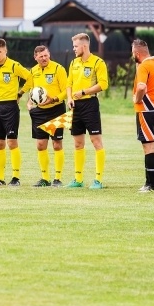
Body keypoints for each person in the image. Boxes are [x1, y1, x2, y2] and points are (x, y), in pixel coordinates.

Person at [0, 38, 32, 187]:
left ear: (5, 51)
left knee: (11, 142)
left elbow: (30, 78)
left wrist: (21, 93)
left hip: (11, 107)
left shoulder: (14, 66)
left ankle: (16, 177)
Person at [66, 33, 109, 189]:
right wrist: (69, 98)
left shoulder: (98, 62)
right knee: (78, 143)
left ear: (84, 46)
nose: (74, 49)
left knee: (96, 141)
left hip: (90, 105)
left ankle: (98, 180)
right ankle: (78, 179)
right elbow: (68, 83)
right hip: (75, 106)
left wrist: (84, 92)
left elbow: (103, 84)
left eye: (76, 46)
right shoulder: (73, 63)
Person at [25, 45, 67, 187]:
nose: (44, 58)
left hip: (56, 109)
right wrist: (29, 103)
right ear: (35, 57)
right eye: (41, 56)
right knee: (40, 145)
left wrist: (53, 99)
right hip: (39, 112)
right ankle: (44, 178)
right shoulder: (33, 71)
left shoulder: (58, 69)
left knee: (56, 144)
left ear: (49, 54)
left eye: (46, 55)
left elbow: (66, 91)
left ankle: (58, 178)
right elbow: (32, 90)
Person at [132, 39, 154, 192]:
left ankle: (153, 185)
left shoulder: (143, 66)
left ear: (137, 53)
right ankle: (149, 183)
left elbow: (142, 86)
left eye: (132, 52)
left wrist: (136, 99)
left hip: (146, 110)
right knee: (150, 145)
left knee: (149, 147)